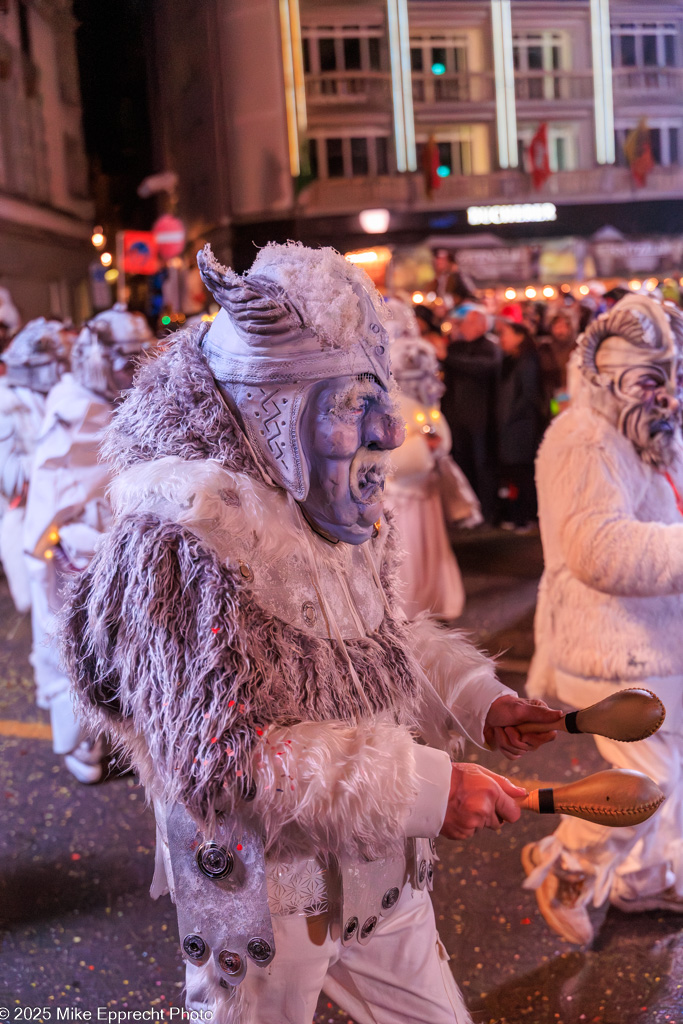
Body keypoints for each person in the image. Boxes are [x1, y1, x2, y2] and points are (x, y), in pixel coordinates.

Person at [60, 243, 561, 1022]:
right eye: (347, 403)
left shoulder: (330, 501)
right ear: (271, 406)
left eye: (375, 395)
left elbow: (378, 644)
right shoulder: (184, 528)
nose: (387, 429)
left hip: (381, 872)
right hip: (267, 896)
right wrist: (427, 790)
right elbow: (218, 757)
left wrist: (476, 698)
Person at [523, 293, 683, 946]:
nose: (666, 396)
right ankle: (565, 862)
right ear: (610, 378)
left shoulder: (651, 431)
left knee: (671, 767)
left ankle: (642, 879)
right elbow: (596, 546)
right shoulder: (582, 437)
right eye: (651, 381)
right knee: (646, 779)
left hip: (658, 634)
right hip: (608, 643)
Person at [25, 304, 155, 783]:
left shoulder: (115, 398)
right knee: (76, 651)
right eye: (127, 358)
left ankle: (120, 734)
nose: (135, 369)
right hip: (77, 559)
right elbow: (51, 495)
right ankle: (84, 742)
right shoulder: (75, 409)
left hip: (118, 552)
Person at [384, 300, 479, 621]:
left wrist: (435, 446)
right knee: (407, 554)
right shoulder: (389, 405)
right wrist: (422, 450)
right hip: (402, 498)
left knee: (429, 553)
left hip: (425, 493)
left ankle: (434, 600)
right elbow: (389, 458)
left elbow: (438, 434)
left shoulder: (421, 403)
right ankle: (408, 604)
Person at [0, 318, 75, 612]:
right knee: (49, 623)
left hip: (76, 529)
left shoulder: (73, 397)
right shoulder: (7, 403)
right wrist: (60, 460)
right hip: (36, 527)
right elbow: (11, 479)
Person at [441, 304, 501, 523]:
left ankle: (487, 512)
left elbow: (481, 368)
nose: (462, 327)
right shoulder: (457, 348)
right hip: (456, 419)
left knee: (481, 466)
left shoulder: (489, 348)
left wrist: (447, 358)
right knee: (462, 465)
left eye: (466, 322)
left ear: (481, 325)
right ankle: (465, 511)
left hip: (479, 421)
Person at [497, 320, 544, 530]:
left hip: (521, 427)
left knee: (523, 472)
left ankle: (527, 516)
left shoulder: (526, 362)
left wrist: (510, 418)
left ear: (520, 336)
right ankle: (519, 515)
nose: (501, 339)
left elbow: (527, 396)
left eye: (505, 334)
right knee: (516, 472)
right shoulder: (512, 360)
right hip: (513, 426)